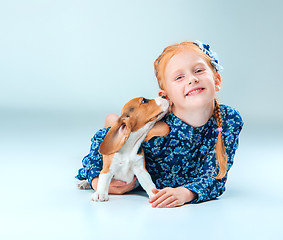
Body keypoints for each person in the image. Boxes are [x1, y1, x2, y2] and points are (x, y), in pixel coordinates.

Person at [75, 40, 243, 208]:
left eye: (198, 70)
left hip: (170, 181)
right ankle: (111, 121)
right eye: (179, 77)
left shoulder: (229, 121)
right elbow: (105, 144)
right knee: (115, 129)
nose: (192, 79)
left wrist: (186, 193)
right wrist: (96, 180)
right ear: (166, 96)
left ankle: (111, 119)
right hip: (136, 173)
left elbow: (216, 177)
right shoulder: (157, 128)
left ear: (217, 80)